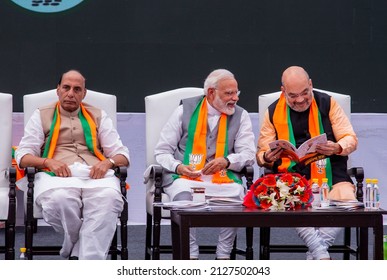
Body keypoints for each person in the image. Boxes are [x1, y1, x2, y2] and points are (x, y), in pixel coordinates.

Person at [15, 70, 130, 260]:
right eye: (66, 87)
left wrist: (108, 163)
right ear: (58, 90)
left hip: (94, 176)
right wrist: (47, 161)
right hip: (57, 177)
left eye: (77, 89)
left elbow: (122, 154)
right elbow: (23, 155)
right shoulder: (42, 115)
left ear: (83, 94)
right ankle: (79, 252)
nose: (71, 93)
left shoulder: (98, 115)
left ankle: (80, 259)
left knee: (110, 198)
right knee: (59, 200)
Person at [257, 66, 358, 260]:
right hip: (291, 177)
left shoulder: (328, 103)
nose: (301, 100)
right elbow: (261, 152)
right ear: (283, 91)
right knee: (284, 197)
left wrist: (337, 147)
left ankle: (316, 254)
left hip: (330, 173)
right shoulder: (272, 111)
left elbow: (350, 138)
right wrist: (266, 157)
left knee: (348, 199)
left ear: (311, 85)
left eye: (305, 93)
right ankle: (320, 254)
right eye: (293, 96)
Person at [154, 69, 256, 260]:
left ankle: (223, 255)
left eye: (236, 93)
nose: (235, 98)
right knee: (183, 195)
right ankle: (190, 255)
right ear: (211, 93)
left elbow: (248, 154)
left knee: (237, 195)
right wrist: (178, 167)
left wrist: (227, 161)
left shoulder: (241, 115)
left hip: (222, 178)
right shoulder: (183, 110)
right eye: (229, 93)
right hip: (185, 176)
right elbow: (161, 151)